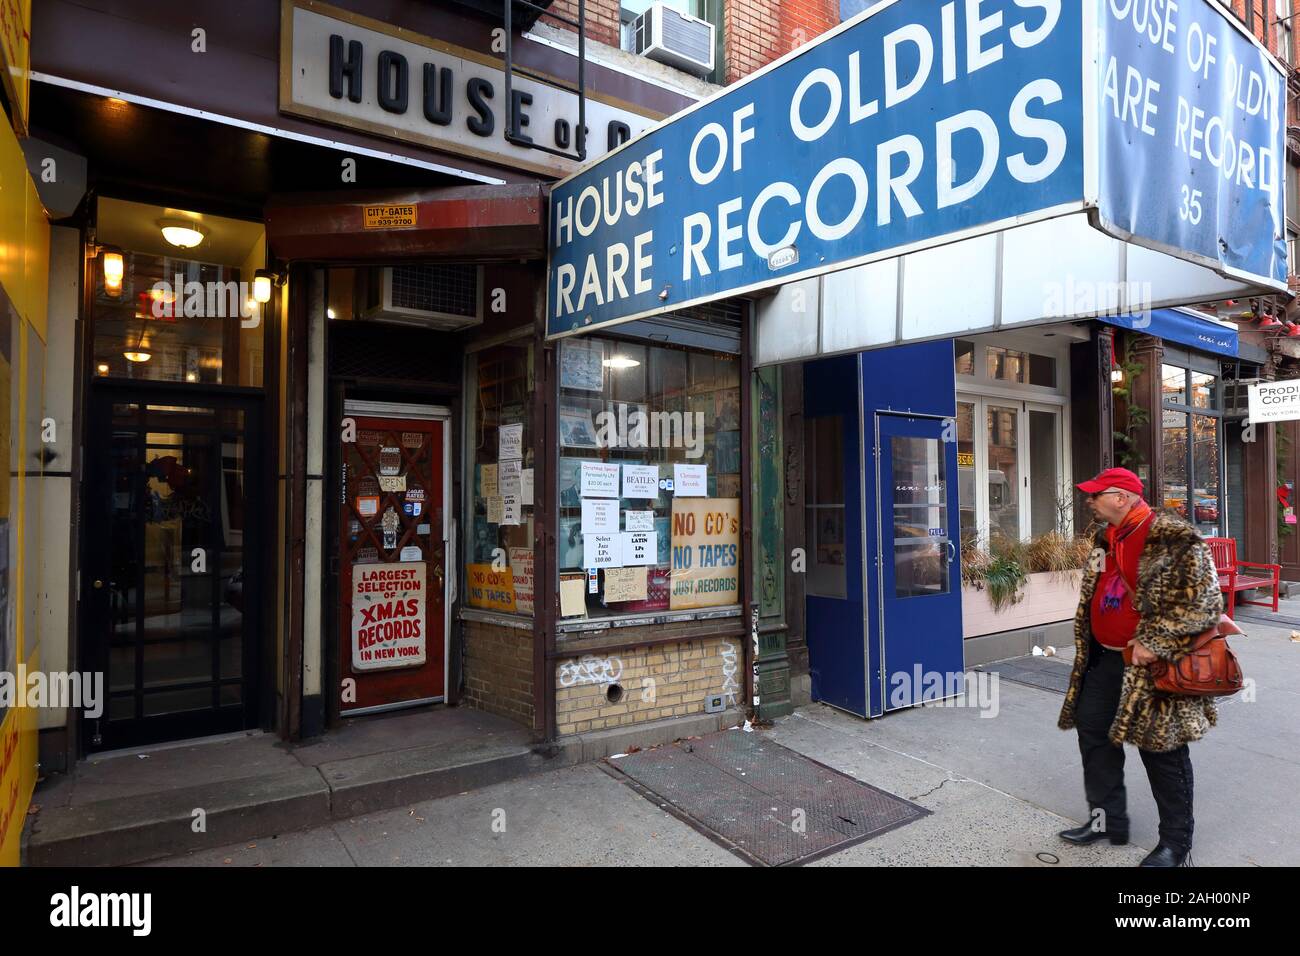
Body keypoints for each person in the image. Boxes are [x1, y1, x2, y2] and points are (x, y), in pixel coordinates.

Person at [1057, 467, 1223, 867]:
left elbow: (1206, 603)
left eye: (1096, 495)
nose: (1089, 500)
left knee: (1161, 750)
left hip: (1154, 666)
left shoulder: (1174, 537)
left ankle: (1175, 845)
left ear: (1121, 497)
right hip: (1103, 657)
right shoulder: (1104, 536)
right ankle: (1105, 820)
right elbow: (1095, 588)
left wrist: (1154, 640)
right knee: (1094, 735)